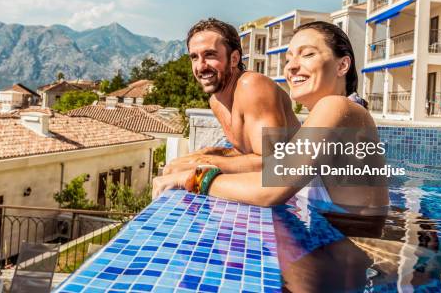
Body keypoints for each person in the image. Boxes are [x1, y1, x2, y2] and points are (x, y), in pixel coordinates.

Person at [153, 21, 389, 215]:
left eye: (307, 54)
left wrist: (192, 178)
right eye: (288, 59)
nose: (292, 67)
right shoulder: (332, 114)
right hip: (355, 256)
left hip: (372, 261)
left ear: (342, 65)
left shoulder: (337, 107)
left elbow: (269, 189)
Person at [163, 18, 300, 174]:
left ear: (234, 59)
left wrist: (203, 162)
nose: (200, 66)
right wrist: (206, 153)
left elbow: (274, 161)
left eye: (210, 55)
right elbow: (247, 153)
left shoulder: (252, 86)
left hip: (312, 189)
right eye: (194, 57)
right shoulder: (216, 102)